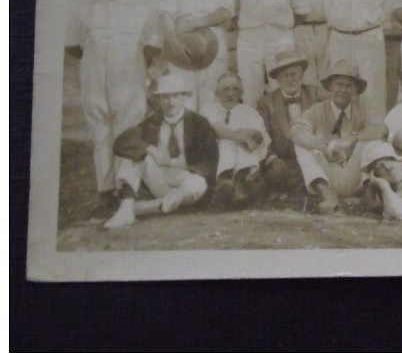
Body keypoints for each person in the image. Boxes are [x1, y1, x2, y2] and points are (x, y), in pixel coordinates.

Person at [66, 0, 161, 217]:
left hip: (129, 76)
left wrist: (134, 67)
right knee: (100, 133)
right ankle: (106, 192)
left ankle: (127, 189)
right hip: (95, 76)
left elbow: (153, 45)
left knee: (127, 132)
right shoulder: (87, 9)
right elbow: (73, 46)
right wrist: (98, 62)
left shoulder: (142, 11)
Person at [103, 74, 218, 228]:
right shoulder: (152, 123)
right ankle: (126, 209)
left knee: (198, 184)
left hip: (186, 180)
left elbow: (209, 161)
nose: (171, 102)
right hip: (159, 178)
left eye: (176, 96)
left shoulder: (199, 123)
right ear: (158, 100)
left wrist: (174, 163)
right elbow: (121, 143)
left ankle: (144, 208)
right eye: (165, 97)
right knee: (135, 155)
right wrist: (151, 150)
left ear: (184, 97)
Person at [289, 59, 387, 214]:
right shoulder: (318, 109)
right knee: (301, 144)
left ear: (355, 90)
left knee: (374, 142)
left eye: (349, 86)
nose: (343, 90)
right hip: (326, 174)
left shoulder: (361, 110)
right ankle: (325, 195)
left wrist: (354, 138)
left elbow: (381, 129)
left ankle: (369, 192)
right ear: (330, 87)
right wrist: (323, 147)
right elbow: (295, 131)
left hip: (354, 175)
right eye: (339, 84)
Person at [323, 0, 396, 121]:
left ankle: (374, 136)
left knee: (372, 89)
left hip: (369, 37)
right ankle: (341, 134)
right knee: (341, 87)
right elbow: (328, 8)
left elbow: (388, 7)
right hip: (340, 38)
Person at [159, 0, 234, 113]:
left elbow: (225, 12)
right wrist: (173, 42)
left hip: (212, 46)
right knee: (184, 100)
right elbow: (165, 14)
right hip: (182, 47)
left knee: (212, 101)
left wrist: (194, 23)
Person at [257, 50, 325, 189]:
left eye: (294, 74)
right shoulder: (267, 102)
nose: (290, 80)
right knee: (275, 175)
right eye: (285, 76)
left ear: (301, 75)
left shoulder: (315, 93)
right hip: (284, 159)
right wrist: (272, 158)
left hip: (314, 155)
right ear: (277, 79)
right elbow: (263, 135)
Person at [200, 72, 269, 207]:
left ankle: (237, 183)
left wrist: (243, 137)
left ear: (241, 93)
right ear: (217, 93)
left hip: (245, 157)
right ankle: (226, 182)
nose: (230, 94)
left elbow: (258, 137)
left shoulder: (250, 112)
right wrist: (241, 136)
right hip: (213, 159)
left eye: (235, 89)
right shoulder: (208, 109)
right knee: (227, 141)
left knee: (235, 142)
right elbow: (218, 128)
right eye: (226, 89)